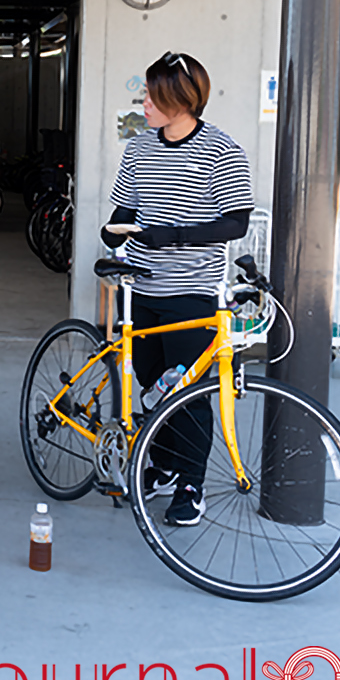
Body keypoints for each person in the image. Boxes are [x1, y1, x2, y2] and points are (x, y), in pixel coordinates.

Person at [100, 51, 253, 528]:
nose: (143, 102)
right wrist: (114, 231)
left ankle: (191, 485)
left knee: (187, 392)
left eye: (151, 94)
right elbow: (124, 211)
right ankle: (162, 464)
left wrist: (176, 236)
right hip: (141, 285)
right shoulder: (138, 149)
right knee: (151, 385)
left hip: (193, 290)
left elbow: (235, 222)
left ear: (179, 101)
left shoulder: (221, 150)